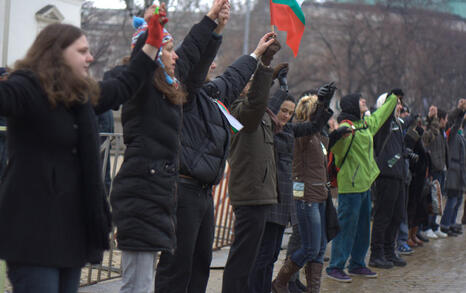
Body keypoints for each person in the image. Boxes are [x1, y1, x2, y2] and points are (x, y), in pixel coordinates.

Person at [0, 11, 163, 292]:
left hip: (71, 234)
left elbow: (125, 84)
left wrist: (151, 43)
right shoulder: (26, 87)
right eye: (82, 51)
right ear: (56, 54)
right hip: (32, 235)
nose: (90, 57)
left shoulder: (81, 96)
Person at [154, 8, 279, 293]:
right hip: (182, 189)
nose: (211, 66)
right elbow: (190, 63)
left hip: (202, 194)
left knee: (200, 265)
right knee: (177, 268)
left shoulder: (209, 96)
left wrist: (257, 54)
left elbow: (234, 78)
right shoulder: (176, 93)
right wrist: (213, 23)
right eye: (207, 62)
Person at [109, 1, 230, 293]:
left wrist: (213, 23)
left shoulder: (166, 87)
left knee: (145, 281)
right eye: (167, 49)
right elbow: (145, 58)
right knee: (137, 284)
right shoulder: (140, 86)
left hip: (156, 195)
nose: (174, 56)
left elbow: (189, 57)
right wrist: (154, 32)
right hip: (142, 194)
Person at [221, 34, 281, 293]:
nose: (249, 83)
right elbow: (255, 106)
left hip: (261, 193)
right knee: (242, 258)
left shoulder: (257, 110)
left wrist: (272, 79)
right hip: (249, 193)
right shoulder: (235, 109)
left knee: (252, 257)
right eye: (246, 80)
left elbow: (262, 104)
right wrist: (264, 66)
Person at [325, 92, 398, 283]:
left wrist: (394, 97)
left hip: (365, 185)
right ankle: (335, 266)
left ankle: (357, 263)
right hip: (350, 187)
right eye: (360, 100)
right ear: (351, 105)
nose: (364, 101)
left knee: (364, 228)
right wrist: (335, 138)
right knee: (347, 228)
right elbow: (334, 150)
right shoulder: (345, 128)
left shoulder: (364, 125)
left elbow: (381, 115)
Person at [271, 84, 336, 293]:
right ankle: (280, 282)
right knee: (310, 247)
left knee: (319, 249)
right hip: (307, 196)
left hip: (320, 196)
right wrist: (323, 106)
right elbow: (313, 127)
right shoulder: (300, 132)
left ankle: (313, 290)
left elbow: (323, 138)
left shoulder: (317, 135)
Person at [369, 90, 408, 269]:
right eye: (397, 103)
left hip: (398, 175)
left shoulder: (398, 123)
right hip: (386, 175)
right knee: (383, 216)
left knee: (397, 215)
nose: (400, 106)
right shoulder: (383, 121)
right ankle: (376, 254)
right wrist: (392, 98)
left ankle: (389, 250)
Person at [420, 106, 449, 239]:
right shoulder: (434, 131)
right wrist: (431, 117)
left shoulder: (442, 132)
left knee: (438, 200)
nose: (447, 121)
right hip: (434, 168)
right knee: (432, 200)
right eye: (445, 118)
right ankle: (427, 227)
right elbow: (426, 138)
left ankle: (434, 226)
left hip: (441, 168)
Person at [440, 100, 466, 236]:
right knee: (452, 200)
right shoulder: (451, 134)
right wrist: (460, 111)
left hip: (459, 171)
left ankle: (451, 222)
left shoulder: (460, 135)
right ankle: (445, 224)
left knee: (458, 199)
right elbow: (454, 124)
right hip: (453, 171)